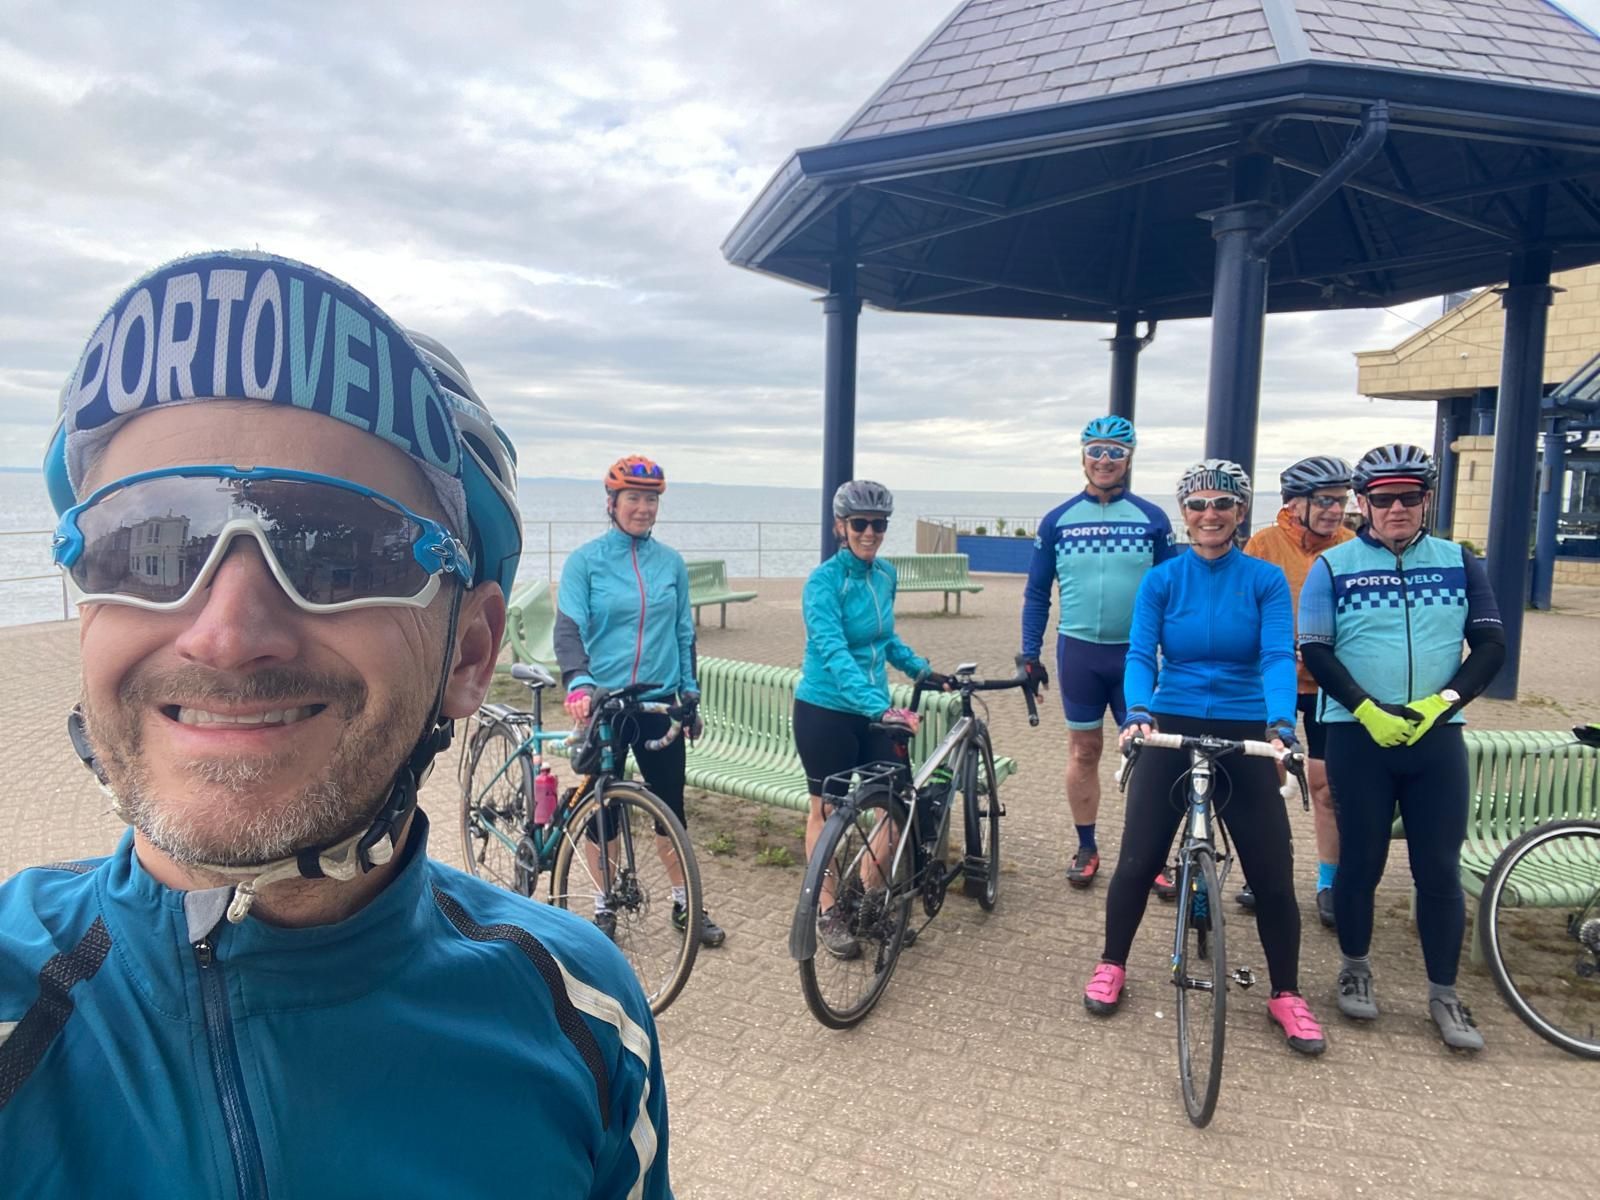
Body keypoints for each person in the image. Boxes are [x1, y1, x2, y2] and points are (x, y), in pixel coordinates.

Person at [1, 251, 670, 1196]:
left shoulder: (585, 1018)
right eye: (149, 545)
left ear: (469, 654)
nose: (226, 636)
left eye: (338, 551)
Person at [1083, 459, 1326, 1056]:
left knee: (1273, 872)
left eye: (1222, 503)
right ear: (1184, 514)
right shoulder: (1162, 580)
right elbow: (1140, 654)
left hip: (1246, 723)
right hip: (1171, 720)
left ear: (1240, 512)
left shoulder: (1265, 580)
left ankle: (1286, 993)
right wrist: (1138, 712)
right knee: (1137, 859)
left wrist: (1281, 723)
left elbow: (1277, 655)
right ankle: (1112, 962)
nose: (1209, 514)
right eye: (1197, 505)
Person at [1298, 444, 1505, 1051]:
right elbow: (1315, 650)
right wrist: (1365, 708)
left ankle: (1444, 993)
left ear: (1426, 500)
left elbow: (1491, 646)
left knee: (1437, 868)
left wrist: (1444, 703)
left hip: (1436, 737)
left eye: (1408, 497)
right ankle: (1354, 967)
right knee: (1360, 862)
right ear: (1363, 503)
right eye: (1383, 498)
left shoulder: (1459, 562)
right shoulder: (1332, 566)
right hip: (1358, 735)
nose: (1396, 508)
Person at [556, 454, 725, 948]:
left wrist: (690, 694)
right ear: (612, 502)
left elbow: (683, 633)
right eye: (633, 498)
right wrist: (579, 683)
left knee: (670, 806)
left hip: (657, 704)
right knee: (603, 809)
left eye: (651, 499)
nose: (643, 508)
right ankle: (603, 904)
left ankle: (685, 903)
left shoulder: (670, 563)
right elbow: (568, 630)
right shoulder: (585, 562)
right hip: (605, 704)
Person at [1020, 415, 1178, 892]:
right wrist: (1029, 654)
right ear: (1083, 456)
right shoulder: (1057, 521)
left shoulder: (1153, 519)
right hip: (1079, 653)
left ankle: (1151, 856)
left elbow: (1174, 593)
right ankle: (1086, 846)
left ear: (1129, 459)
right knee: (1084, 750)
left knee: (1148, 755)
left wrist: (1177, 655)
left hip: (1137, 655)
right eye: (1096, 450)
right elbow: (1036, 593)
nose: (1104, 460)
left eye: (1115, 452)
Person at [796, 480, 945, 958]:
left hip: (875, 712)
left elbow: (885, 640)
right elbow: (834, 652)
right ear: (840, 526)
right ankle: (826, 911)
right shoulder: (823, 583)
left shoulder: (884, 575)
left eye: (878, 525)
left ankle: (864, 902)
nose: (869, 533)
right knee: (825, 811)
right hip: (826, 711)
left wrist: (921, 669)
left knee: (895, 807)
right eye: (860, 523)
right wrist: (878, 706)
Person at [1238, 455, 1355, 927]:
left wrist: (1327, 649)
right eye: (1324, 500)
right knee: (1270, 784)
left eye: (1341, 501)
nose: (1335, 510)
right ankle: (1264, 872)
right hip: (1275, 681)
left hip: (1329, 683)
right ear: (1294, 503)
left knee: (1327, 787)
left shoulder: (1351, 546)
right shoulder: (1264, 544)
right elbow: (1242, 609)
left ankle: (1329, 882)